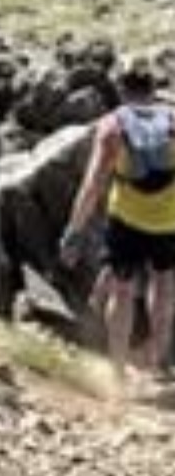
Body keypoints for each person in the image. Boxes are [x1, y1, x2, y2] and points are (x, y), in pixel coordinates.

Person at [61, 55, 175, 378]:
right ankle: (157, 360)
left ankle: (117, 370)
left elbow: (93, 183)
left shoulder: (112, 125)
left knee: (122, 290)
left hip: (126, 220)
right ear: (153, 88)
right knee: (164, 285)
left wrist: (74, 229)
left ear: (121, 90)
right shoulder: (172, 120)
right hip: (169, 220)